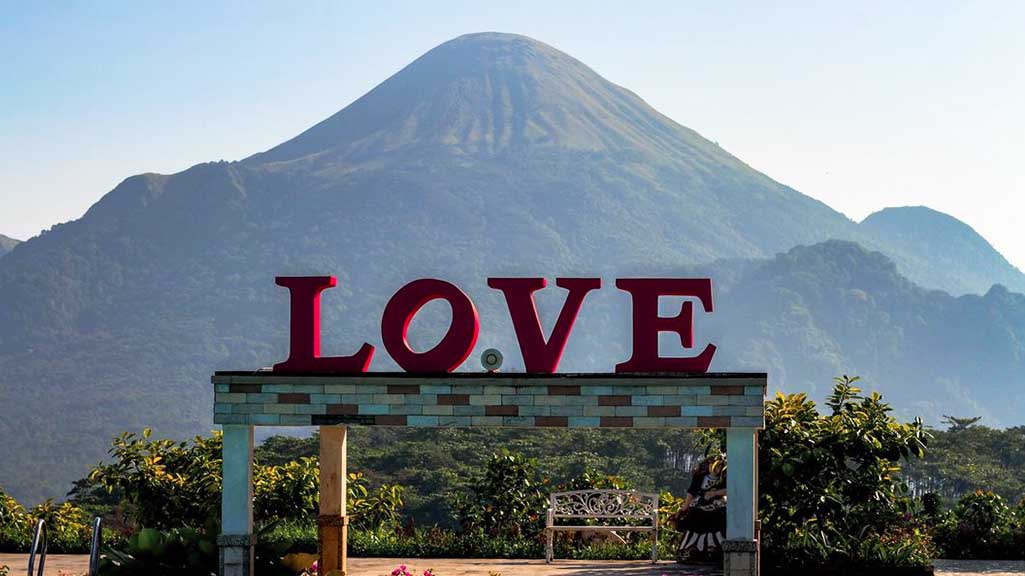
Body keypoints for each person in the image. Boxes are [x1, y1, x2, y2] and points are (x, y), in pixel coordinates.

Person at [674, 458, 727, 561]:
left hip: (717, 503)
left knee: (720, 515)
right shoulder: (699, 477)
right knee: (695, 514)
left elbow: (728, 489)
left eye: (720, 466)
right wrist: (684, 508)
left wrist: (715, 493)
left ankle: (715, 547)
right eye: (716, 465)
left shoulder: (723, 477)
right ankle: (691, 548)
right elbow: (691, 493)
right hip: (700, 502)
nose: (718, 468)